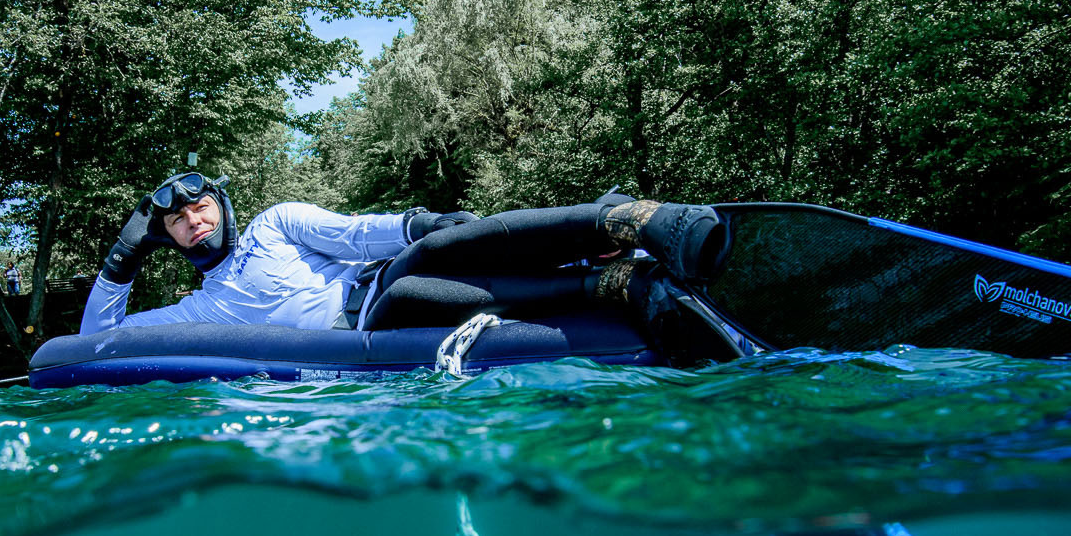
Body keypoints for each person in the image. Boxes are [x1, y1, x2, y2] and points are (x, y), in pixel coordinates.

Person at [81, 170, 741, 364]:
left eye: (200, 207)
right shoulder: (195, 310)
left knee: (419, 259)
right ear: (165, 238)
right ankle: (617, 281)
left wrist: (416, 223)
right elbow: (87, 348)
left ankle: (634, 221)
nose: (193, 219)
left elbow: (354, 234)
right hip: (373, 327)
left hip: (386, 279)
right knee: (411, 291)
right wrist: (118, 265)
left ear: (221, 207)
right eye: (176, 219)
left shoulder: (273, 223)